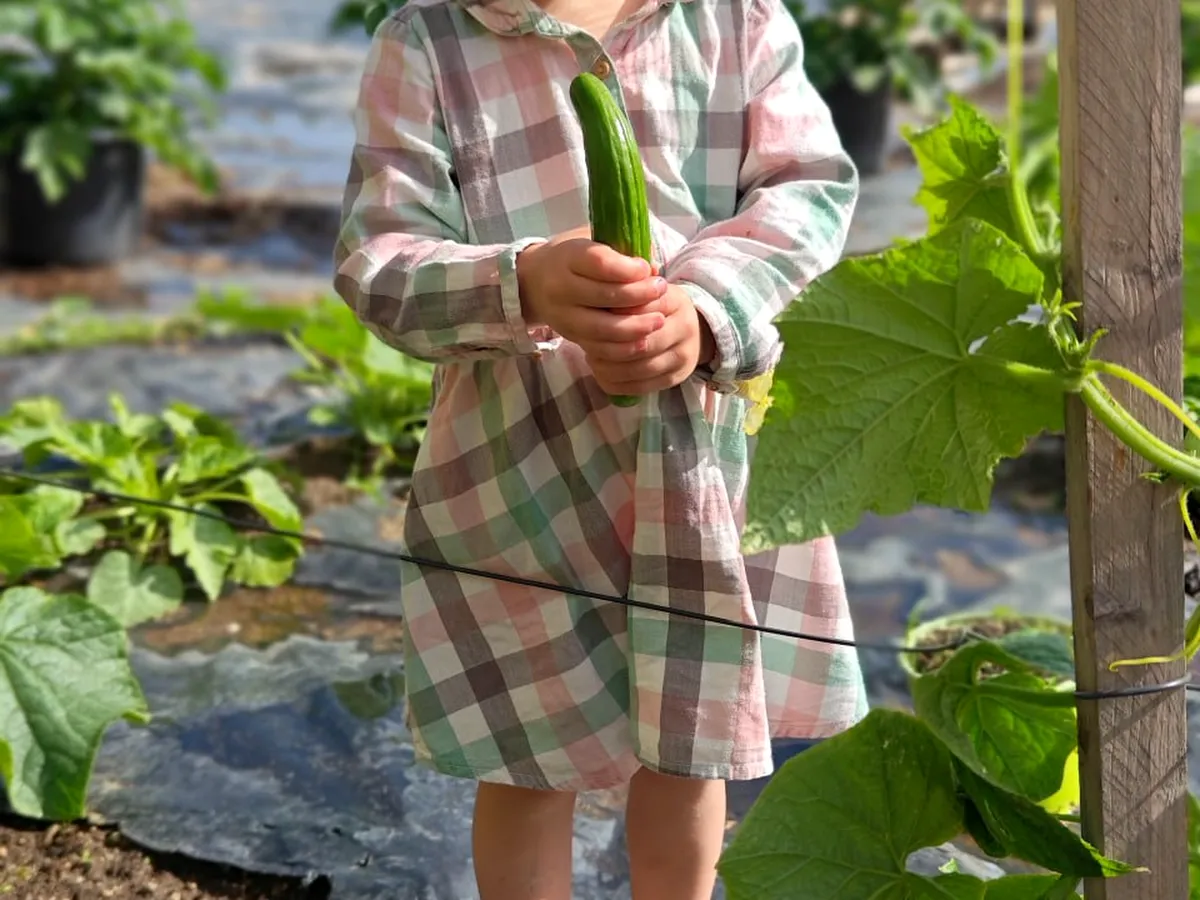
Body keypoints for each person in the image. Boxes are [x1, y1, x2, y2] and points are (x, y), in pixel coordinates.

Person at [333, 1, 869, 897]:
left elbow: (809, 189)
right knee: (527, 763)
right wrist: (523, 281)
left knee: (690, 746)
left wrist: (705, 308)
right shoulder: (424, 41)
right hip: (515, 474)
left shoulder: (736, 19)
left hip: (705, 462)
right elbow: (375, 257)